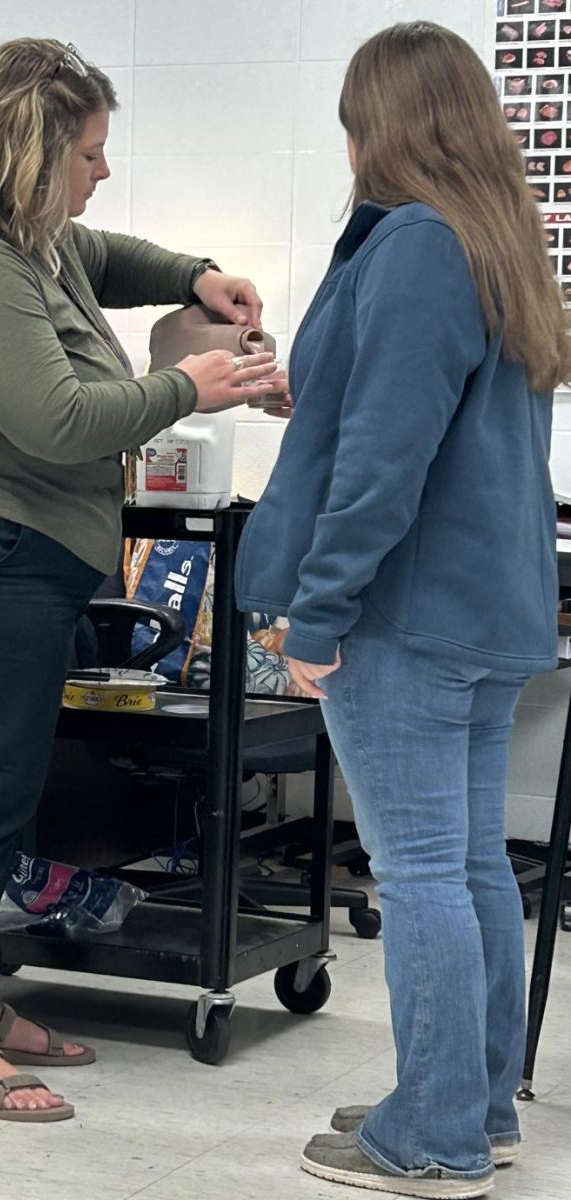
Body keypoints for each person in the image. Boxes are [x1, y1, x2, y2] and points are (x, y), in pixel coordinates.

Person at [0, 37, 285, 1123]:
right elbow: (58, 421)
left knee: (0, 789)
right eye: (88, 153)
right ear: (34, 153)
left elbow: (107, 252)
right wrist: (184, 382)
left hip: (11, 553)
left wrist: (190, 274)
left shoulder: (34, 241)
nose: (100, 171)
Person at [236, 21, 569, 1200]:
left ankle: (424, 1136)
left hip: (408, 614)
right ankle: (470, 1107)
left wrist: (315, 615)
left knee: (420, 870)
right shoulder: (493, 241)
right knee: (466, 861)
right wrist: (312, 394)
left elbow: (386, 458)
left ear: (377, 126)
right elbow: (414, 423)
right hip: (485, 612)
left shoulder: (415, 243)